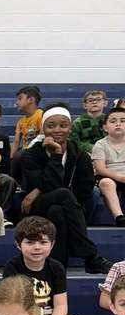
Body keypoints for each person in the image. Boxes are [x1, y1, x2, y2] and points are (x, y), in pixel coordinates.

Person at [21, 105, 111, 274]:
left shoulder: (80, 155)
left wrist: (42, 190)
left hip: (71, 209)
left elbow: (84, 190)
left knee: (58, 210)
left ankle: (57, 265)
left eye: (63, 125)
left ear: (70, 128)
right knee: (63, 194)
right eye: (51, 125)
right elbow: (43, 184)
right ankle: (91, 257)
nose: (57, 130)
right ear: (43, 128)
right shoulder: (31, 154)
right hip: (37, 208)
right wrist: (56, 155)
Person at [92, 107, 125, 227]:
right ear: (105, 127)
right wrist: (120, 178)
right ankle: (119, 217)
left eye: (123, 121)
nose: (118, 124)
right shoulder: (100, 144)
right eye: (113, 121)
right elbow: (100, 169)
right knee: (107, 183)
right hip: (107, 176)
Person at [11, 86, 43, 184]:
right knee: (15, 157)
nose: (16, 102)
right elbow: (16, 142)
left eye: (20, 98)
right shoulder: (21, 122)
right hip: (25, 153)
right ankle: (14, 183)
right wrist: (10, 158)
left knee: (23, 155)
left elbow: (42, 135)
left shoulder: (40, 114)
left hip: (38, 150)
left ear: (31, 99)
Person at [70, 89, 108, 155]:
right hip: (85, 154)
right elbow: (73, 142)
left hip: (107, 151)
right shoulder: (77, 122)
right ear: (85, 105)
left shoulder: (110, 120)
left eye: (98, 99)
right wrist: (89, 148)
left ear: (105, 103)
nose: (94, 102)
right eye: (90, 100)